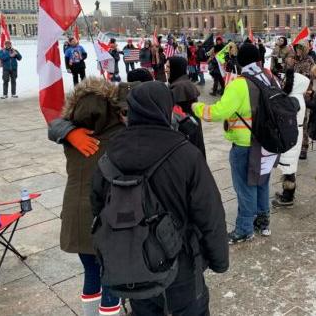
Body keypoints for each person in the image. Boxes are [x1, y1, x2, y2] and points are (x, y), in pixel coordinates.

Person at [91, 82, 229, 315]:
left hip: (132, 262)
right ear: (165, 108)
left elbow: (96, 208)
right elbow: (210, 214)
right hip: (181, 262)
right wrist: (219, 260)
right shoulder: (186, 154)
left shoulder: (110, 153)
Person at [48, 78, 125, 316]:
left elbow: (54, 125)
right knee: (112, 276)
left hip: (77, 216)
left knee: (91, 273)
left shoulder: (71, 134)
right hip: (110, 217)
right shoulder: (122, 135)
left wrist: (68, 131)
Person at [193, 43, 277, 244]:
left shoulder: (239, 84)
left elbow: (218, 112)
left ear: (240, 61)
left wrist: (196, 106)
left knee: (245, 187)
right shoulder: (269, 77)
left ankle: (244, 228)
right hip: (268, 142)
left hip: (245, 144)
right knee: (262, 182)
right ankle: (263, 221)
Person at [272, 69, 310, 207]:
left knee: (289, 167)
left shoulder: (295, 99)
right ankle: (286, 191)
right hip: (292, 132)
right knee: (289, 166)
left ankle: (288, 197)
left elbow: (282, 111)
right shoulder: (296, 96)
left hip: (292, 134)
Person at [166, 56, 205, 156]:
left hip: (185, 133)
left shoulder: (180, 86)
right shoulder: (182, 83)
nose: (166, 69)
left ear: (176, 68)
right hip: (190, 131)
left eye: (169, 67)